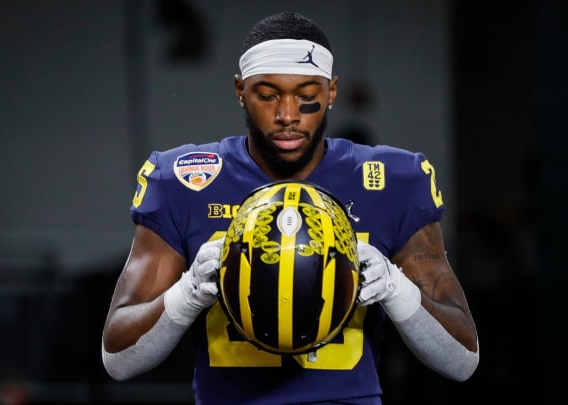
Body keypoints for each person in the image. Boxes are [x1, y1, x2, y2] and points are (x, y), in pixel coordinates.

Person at [102, 11, 479, 404]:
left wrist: (395, 288)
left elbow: (462, 360)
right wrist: (188, 294)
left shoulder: (391, 181)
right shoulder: (185, 180)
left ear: (331, 92)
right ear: (240, 91)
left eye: (307, 97)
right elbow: (118, 360)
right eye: (267, 95)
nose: (287, 115)